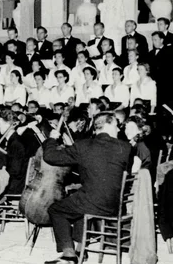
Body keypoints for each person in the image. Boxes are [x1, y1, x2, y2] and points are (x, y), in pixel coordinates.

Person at [42, 112, 131, 263]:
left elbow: (50, 157)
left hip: (94, 203)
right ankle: (80, 251)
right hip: (115, 205)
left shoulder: (83, 146)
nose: (118, 130)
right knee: (79, 201)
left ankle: (69, 255)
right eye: (116, 126)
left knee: (56, 209)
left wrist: (51, 139)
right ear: (107, 125)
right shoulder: (125, 147)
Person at [0, 110, 27, 195]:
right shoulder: (12, 140)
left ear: (7, 123)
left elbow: (15, 170)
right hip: (14, 182)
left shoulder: (16, 143)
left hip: (14, 186)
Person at [146, 31, 173, 111]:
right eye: (152, 40)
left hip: (165, 86)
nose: (153, 42)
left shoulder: (170, 52)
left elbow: (169, 68)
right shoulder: (150, 53)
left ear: (162, 40)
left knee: (166, 110)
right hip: (153, 86)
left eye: (155, 39)